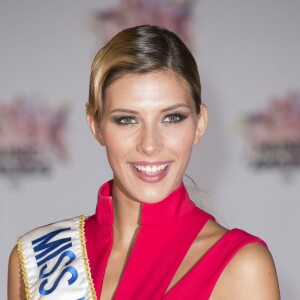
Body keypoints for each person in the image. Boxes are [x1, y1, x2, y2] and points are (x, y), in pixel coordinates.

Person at [8, 25, 280, 300]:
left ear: (200, 124)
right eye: (127, 119)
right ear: (96, 127)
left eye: (172, 118)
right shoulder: (35, 261)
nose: (150, 144)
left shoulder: (242, 268)